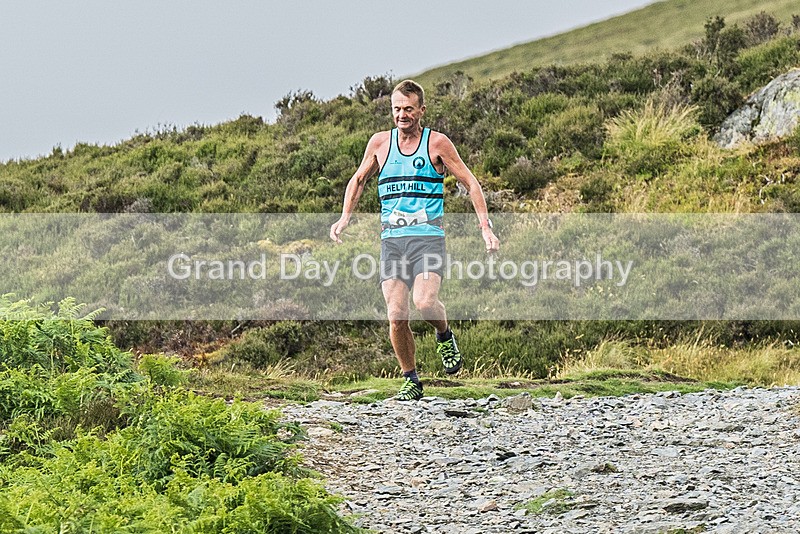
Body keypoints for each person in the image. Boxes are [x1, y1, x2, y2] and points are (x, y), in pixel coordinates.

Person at [330, 79, 500, 401]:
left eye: (408, 109)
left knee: (424, 303)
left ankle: (443, 333)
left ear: (421, 110)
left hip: (428, 239)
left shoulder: (437, 144)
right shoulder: (380, 143)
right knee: (396, 315)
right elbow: (358, 179)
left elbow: (471, 182)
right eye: (396, 109)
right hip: (392, 242)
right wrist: (344, 217)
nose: (402, 115)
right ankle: (411, 379)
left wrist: (485, 228)